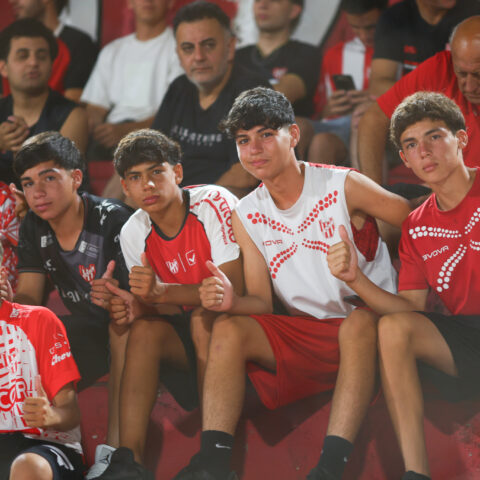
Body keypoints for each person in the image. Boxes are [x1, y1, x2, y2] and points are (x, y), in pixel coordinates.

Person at [174, 87, 411, 480]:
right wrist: (232, 301)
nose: (254, 149)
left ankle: (329, 468)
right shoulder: (246, 213)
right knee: (227, 328)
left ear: (294, 135)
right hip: (311, 334)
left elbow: (418, 223)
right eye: (243, 140)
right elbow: (261, 301)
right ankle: (213, 465)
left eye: (266, 135)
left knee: (358, 323)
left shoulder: (342, 184)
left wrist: (419, 286)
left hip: (371, 327)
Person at [328, 91, 480, 480]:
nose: (424, 152)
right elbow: (411, 307)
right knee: (393, 328)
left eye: (434, 137)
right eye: (411, 145)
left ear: (462, 139)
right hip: (468, 337)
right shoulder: (415, 224)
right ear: (405, 160)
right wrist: (355, 278)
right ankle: (416, 473)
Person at [88, 129, 243, 479]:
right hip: (190, 334)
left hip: (239, 325)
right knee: (140, 330)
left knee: (205, 318)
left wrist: (160, 293)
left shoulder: (212, 202)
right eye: (135, 177)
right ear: (124, 188)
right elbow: (164, 309)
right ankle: (129, 462)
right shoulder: (133, 231)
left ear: (178, 173)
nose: (148, 185)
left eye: (157, 172)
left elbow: (232, 290)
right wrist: (136, 306)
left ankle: (211, 459)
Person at [151, 0, 270, 198]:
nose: (199, 57)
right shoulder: (179, 88)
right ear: (178, 54)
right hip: (179, 201)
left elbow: (247, 176)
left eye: (209, 45)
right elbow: (148, 157)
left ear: (230, 47)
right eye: (188, 48)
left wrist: (190, 208)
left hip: (230, 204)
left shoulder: (253, 93)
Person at [358, 15, 480, 185]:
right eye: (461, 73)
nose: (469, 87)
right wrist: (373, 194)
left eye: (478, 75)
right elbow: (373, 119)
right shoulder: (440, 68)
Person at [0, 279, 84, 480]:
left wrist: (51, 415)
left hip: (47, 446)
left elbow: (70, 413)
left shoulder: (39, 319)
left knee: (28, 466)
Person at [80, 0, 182, 160]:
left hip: (155, 134)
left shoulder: (180, 48)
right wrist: (97, 129)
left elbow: (176, 111)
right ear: (129, 3)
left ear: (170, 2)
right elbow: (96, 107)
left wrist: (129, 130)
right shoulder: (112, 51)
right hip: (111, 133)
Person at [0, 18, 88, 186]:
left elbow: (61, 182)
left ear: (51, 65)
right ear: (3, 67)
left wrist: (23, 152)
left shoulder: (73, 115)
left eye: (41, 56)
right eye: (23, 56)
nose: (33, 62)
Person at [308, 0, 387, 167]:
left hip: (376, 125)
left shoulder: (398, 50)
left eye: (371, 27)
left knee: (323, 142)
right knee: (293, 126)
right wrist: (330, 108)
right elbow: (320, 111)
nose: (363, 35)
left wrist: (376, 99)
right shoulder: (334, 54)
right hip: (335, 125)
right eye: (355, 28)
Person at [368, 0, 480, 97]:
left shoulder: (475, 13)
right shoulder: (395, 17)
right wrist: (426, 101)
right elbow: (378, 84)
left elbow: (471, 91)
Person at [235, 0, 320, 118]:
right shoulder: (236, 56)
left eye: (274, 0)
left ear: (294, 11)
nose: (263, 5)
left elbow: (277, 98)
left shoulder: (306, 54)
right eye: (257, 0)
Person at [6, 0, 98, 102]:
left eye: (42, 56)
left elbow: (72, 104)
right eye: (22, 55)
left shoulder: (79, 44)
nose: (12, 1)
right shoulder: (6, 42)